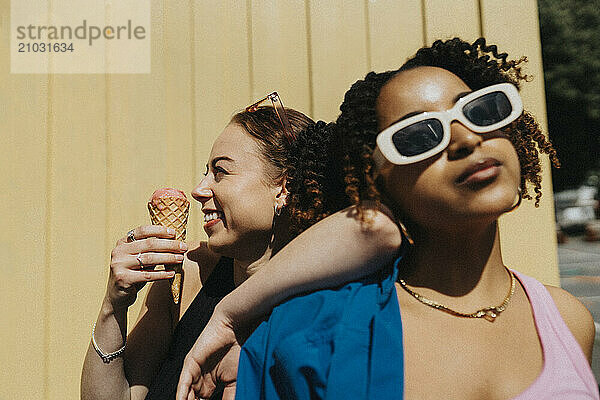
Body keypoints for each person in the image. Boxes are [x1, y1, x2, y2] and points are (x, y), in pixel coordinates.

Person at [177, 38, 598, 399]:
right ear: (378, 182)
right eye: (418, 136)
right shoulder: (312, 335)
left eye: (481, 111)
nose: (467, 138)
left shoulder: (567, 319)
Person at [80, 95, 402, 400]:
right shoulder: (189, 272)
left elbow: (381, 225)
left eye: (220, 171)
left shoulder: (325, 298)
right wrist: (113, 305)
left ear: (283, 187)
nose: (198, 190)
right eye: (205, 172)